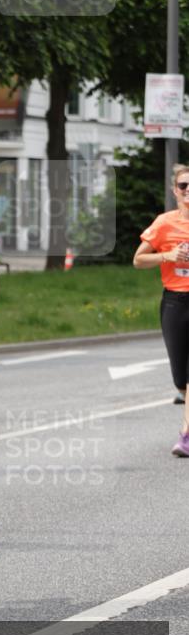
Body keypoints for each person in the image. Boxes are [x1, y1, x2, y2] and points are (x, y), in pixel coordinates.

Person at [133, 163, 189, 458]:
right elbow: (138, 260)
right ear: (175, 190)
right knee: (181, 378)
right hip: (174, 302)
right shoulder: (164, 223)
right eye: (183, 185)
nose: (188, 190)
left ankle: (186, 435)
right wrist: (167, 254)